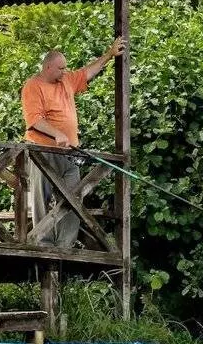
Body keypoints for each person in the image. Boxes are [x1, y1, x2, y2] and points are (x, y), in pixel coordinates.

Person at [21, 38, 126, 247]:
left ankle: (64, 245)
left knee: (73, 198)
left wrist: (109, 54)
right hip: (43, 152)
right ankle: (42, 243)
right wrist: (56, 133)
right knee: (42, 197)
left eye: (65, 68)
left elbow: (88, 72)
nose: (63, 71)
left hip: (70, 153)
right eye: (60, 68)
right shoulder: (33, 86)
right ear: (48, 67)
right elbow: (35, 120)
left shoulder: (66, 81)